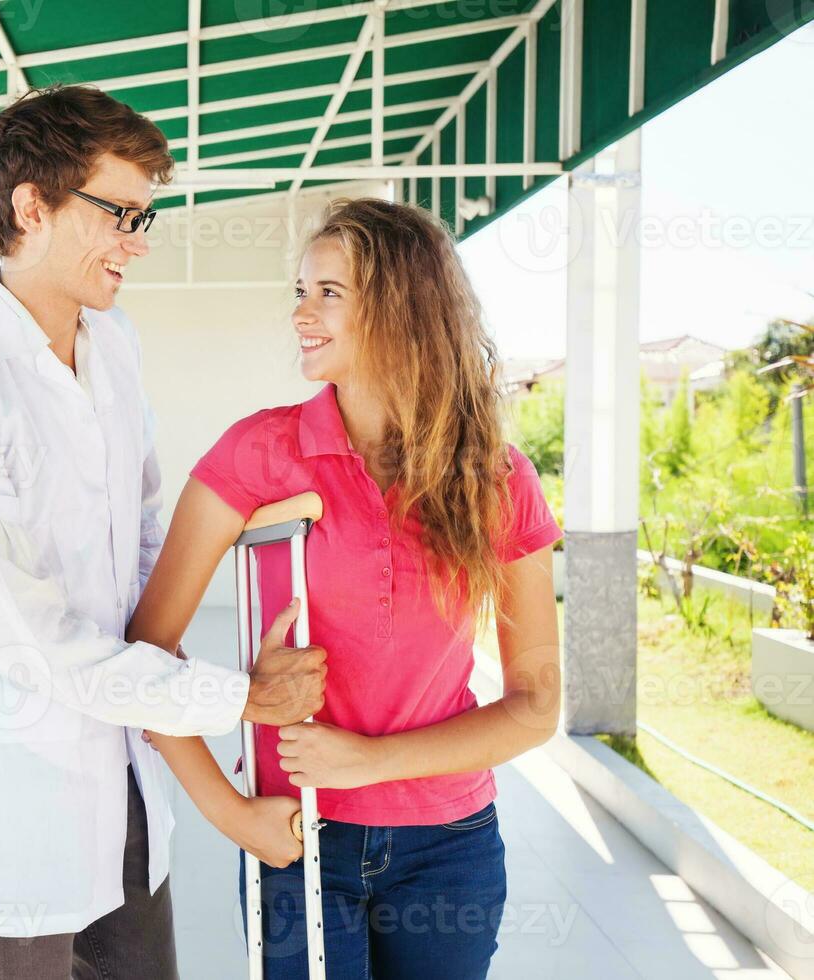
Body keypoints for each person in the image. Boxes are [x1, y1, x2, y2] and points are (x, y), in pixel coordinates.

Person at [0, 84, 325, 980]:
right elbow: (34, 646)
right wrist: (238, 698)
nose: (140, 240)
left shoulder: (113, 345)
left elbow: (148, 532)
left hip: (125, 798)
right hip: (16, 822)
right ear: (30, 207)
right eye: (120, 212)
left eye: (146, 214)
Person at [127, 197, 564, 980]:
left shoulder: (497, 478)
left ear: (403, 306)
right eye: (300, 290)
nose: (301, 312)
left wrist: (366, 760)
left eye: (329, 292)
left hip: (451, 848)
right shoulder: (260, 450)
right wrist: (231, 817)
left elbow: (534, 706)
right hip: (299, 837)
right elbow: (147, 651)